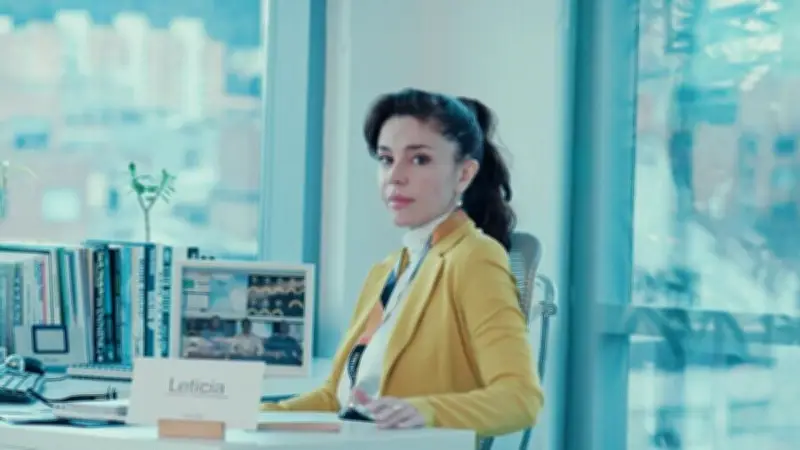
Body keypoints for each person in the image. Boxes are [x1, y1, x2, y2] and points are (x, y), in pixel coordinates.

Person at [262, 88, 543, 438]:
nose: (395, 176)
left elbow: (520, 399)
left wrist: (424, 412)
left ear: (464, 174)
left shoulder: (475, 258)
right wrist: (249, 413)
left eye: (419, 159)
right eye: (386, 159)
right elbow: (334, 397)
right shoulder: (388, 270)